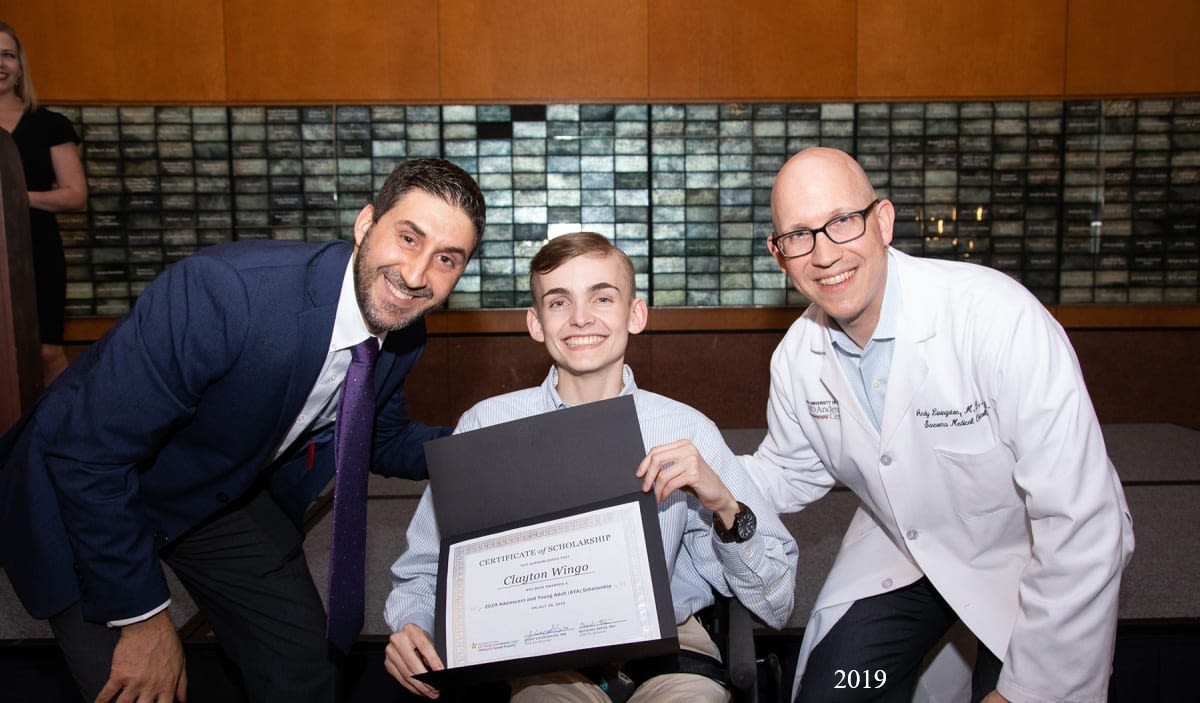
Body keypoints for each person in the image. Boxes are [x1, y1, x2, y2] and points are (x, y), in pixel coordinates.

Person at [0, 158, 486, 702]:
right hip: (82, 489)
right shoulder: (224, 295)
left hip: (208, 482)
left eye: (446, 259)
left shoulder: (401, 333)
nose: (417, 275)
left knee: (303, 666)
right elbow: (87, 457)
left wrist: (497, 443)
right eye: (408, 237)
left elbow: (380, 439)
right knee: (139, 689)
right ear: (365, 222)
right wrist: (141, 617)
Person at [742, 147, 1135, 703]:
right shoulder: (796, 358)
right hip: (907, 551)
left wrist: (1026, 694)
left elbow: (1081, 521)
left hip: (1028, 558)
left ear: (883, 221)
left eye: (841, 222)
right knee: (838, 692)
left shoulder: (997, 318)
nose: (824, 254)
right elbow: (788, 469)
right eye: (798, 235)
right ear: (778, 254)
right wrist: (702, 475)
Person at [383, 232, 799, 702]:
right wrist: (412, 624)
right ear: (536, 323)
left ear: (635, 314)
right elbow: (423, 569)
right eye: (559, 303)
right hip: (539, 653)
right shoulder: (486, 426)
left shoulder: (683, 430)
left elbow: (776, 603)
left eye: (602, 297)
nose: (581, 317)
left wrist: (724, 505)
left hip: (669, 644)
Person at [0, 22, 87, 386]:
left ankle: (68, 433)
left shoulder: (49, 124)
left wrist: (15, 198)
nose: (0, 64)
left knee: (47, 351)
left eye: (7, 55)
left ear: (20, 65)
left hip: (37, 250)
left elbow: (75, 194)